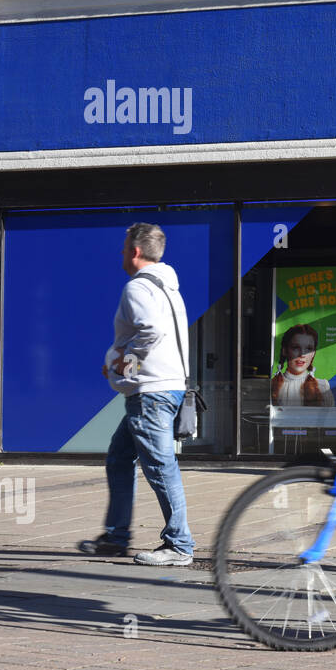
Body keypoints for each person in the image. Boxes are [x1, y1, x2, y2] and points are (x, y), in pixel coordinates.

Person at [78, 222, 195, 566]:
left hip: (152, 392)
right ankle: (116, 537)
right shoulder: (168, 287)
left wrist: (124, 364)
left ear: (135, 251)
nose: (121, 253)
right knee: (119, 458)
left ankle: (179, 544)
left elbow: (152, 331)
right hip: (165, 386)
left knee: (160, 466)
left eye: (124, 246)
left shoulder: (138, 289)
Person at [271, 323, 335, 406]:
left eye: (308, 349)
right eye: (296, 347)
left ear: (313, 354)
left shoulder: (322, 387)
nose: (302, 354)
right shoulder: (271, 386)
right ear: (285, 351)